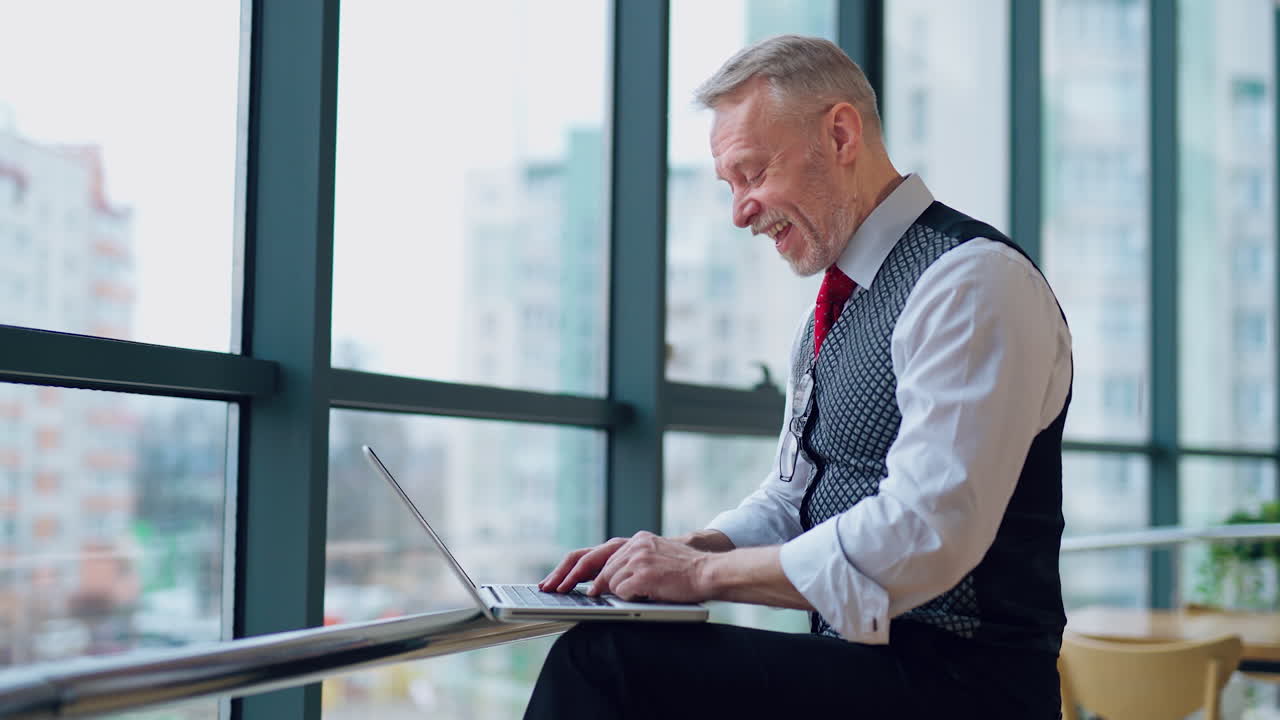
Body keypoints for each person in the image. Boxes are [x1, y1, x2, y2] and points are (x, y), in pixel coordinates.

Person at [524, 34, 1072, 719]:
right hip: (868, 671)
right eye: (730, 187)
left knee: (606, 668)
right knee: (610, 648)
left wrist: (700, 576)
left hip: (965, 687)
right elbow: (795, 495)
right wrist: (682, 549)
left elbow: (925, 533)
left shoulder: (972, 281)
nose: (739, 211)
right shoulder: (831, 314)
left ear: (840, 134)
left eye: (752, 174)